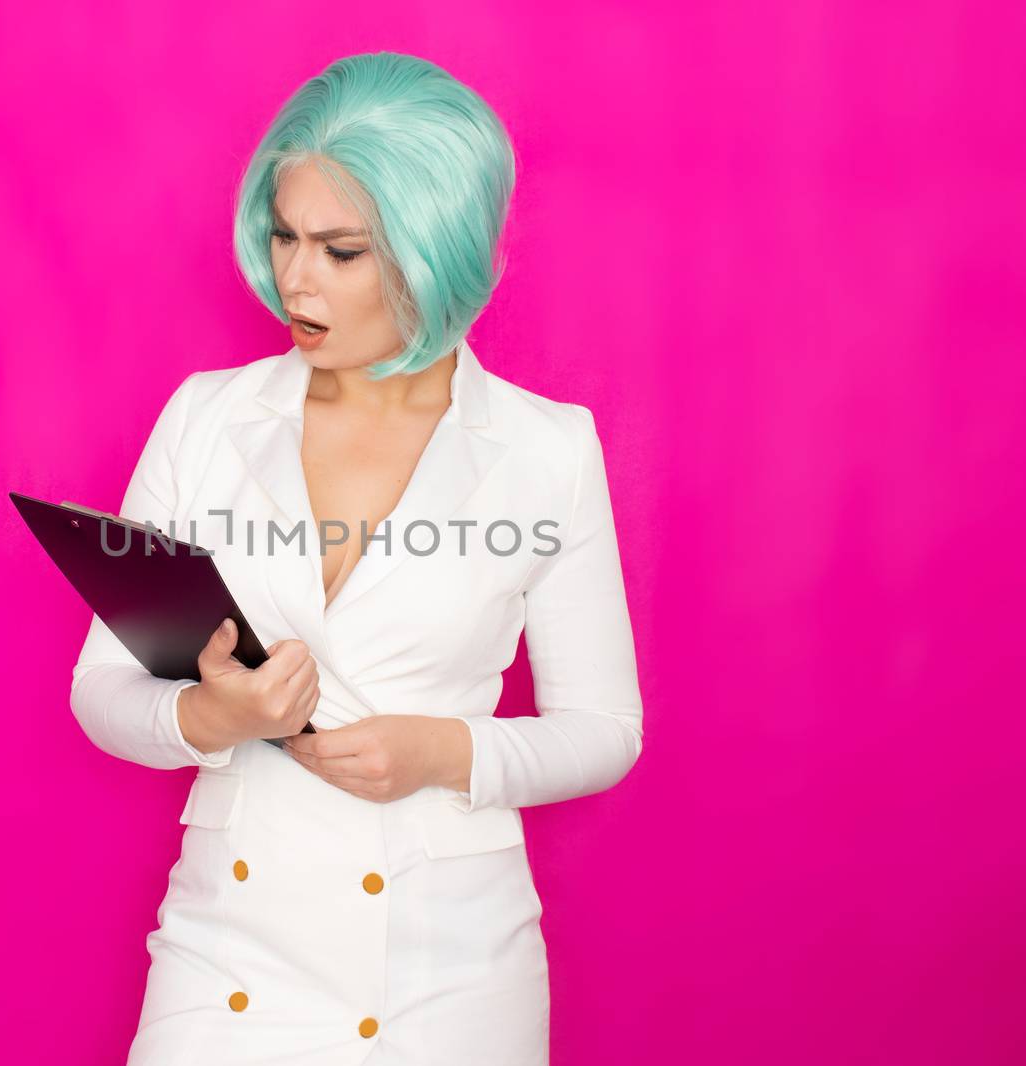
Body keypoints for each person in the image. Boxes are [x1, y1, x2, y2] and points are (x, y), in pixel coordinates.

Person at [70, 51, 644, 1065]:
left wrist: (443, 753)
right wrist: (208, 716)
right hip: (227, 956)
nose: (294, 276)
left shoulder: (547, 448)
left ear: (436, 250)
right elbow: (101, 692)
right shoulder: (208, 417)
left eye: (341, 250)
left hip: (452, 969)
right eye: (285, 236)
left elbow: (604, 730)